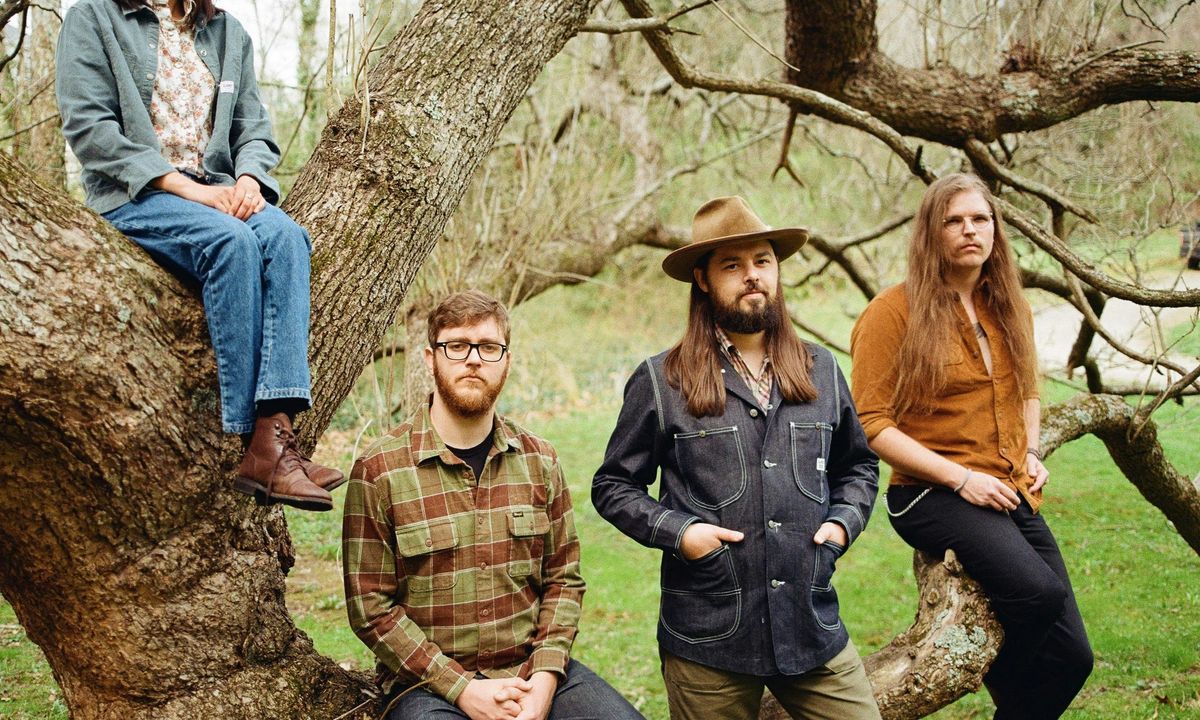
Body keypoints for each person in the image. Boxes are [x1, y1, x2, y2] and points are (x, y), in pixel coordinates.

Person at [592, 197, 881, 720]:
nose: (753, 276)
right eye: (733, 265)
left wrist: (842, 525)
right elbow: (613, 486)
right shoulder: (662, 380)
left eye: (763, 261)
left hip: (810, 624)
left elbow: (858, 467)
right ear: (702, 279)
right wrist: (681, 533)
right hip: (709, 637)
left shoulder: (822, 370)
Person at [55, 0, 341, 511]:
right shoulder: (93, 17)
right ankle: (252, 439)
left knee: (287, 240)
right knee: (231, 243)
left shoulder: (226, 32)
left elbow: (253, 128)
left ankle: (272, 439)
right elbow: (90, 129)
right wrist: (189, 191)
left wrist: (250, 179)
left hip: (221, 188)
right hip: (138, 196)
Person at [849, 173, 1093, 719]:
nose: (969, 230)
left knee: (1074, 659)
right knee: (1039, 595)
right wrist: (961, 478)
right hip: (928, 494)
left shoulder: (1009, 307)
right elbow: (873, 424)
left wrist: (1030, 451)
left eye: (980, 219)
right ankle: (999, 677)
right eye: (953, 220)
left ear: (995, 231)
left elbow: (1027, 391)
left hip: (1008, 485)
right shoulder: (892, 313)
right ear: (931, 234)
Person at [343, 291, 642, 720]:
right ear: (430, 359)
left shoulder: (540, 460)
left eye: (488, 347)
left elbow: (563, 579)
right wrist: (462, 689)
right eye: (457, 346)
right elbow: (370, 608)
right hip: (427, 687)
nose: (473, 360)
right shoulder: (380, 470)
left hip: (530, 670)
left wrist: (544, 678)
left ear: (506, 360)